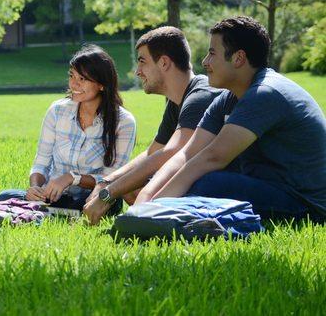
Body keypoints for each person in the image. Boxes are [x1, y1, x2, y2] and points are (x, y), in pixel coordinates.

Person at [136, 16, 326, 222]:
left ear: (238, 58)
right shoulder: (229, 98)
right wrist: (146, 197)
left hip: (304, 204)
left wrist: (153, 208)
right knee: (192, 178)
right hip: (267, 187)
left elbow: (213, 156)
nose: (204, 62)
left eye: (211, 53)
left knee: (204, 182)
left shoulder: (265, 93)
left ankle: (163, 218)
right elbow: (187, 154)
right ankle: (163, 215)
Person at [83, 27, 223, 224]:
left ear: (164, 62)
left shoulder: (200, 96)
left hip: (219, 184)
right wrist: (106, 182)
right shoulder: (177, 100)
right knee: (131, 187)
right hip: (199, 180)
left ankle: (142, 219)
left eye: (142, 61)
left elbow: (172, 152)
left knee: (139, 186)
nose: (138, 71)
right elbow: (152, 152)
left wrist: (108, 193)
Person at [0, 44, 136, 214]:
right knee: (5, 196)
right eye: (71, 76)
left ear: (102, 84)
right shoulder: (57, 111)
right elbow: (41, 162)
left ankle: (48, 213)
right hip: (55, 196)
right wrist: (35, 188)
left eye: (82, 79)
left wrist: (72, 178)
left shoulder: (124, 122)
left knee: (98, 204)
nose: (74, 84)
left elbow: (112, 178)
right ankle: (53, 212)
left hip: (95, 197)